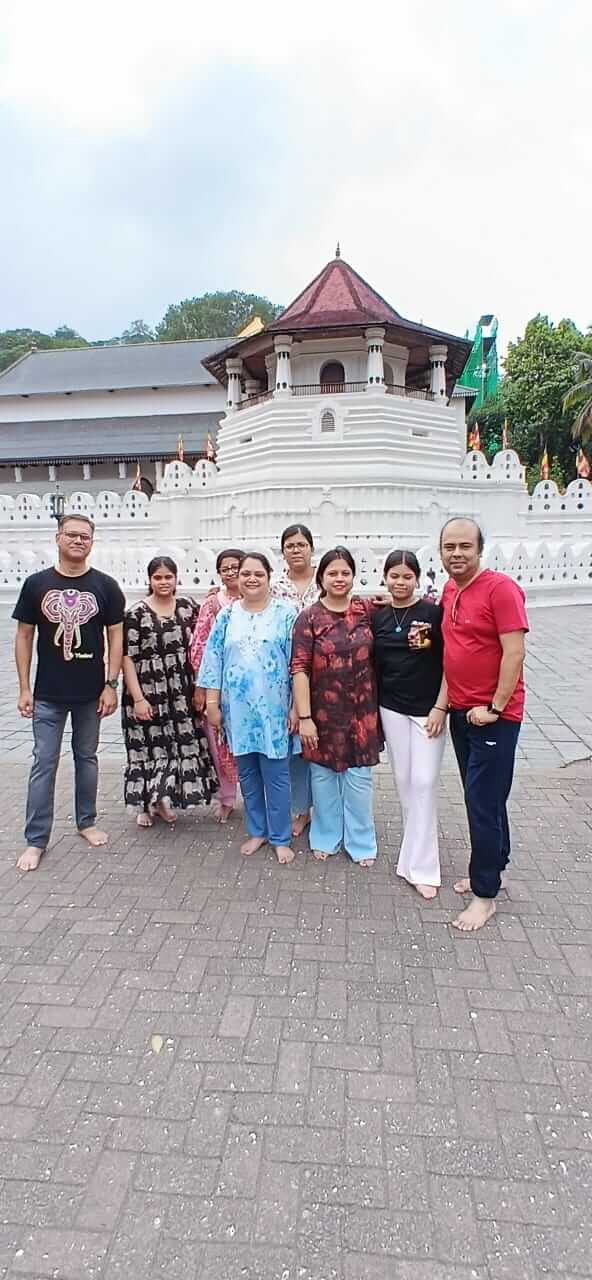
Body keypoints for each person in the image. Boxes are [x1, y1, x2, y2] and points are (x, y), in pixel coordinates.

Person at [13, 513, 125, 872]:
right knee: (44, 762)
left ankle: (86, 821)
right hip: (47, 693)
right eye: (72, 535)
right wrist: (24, 687)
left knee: (86, 758)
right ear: (57, 538)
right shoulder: (36, 584)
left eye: (85, 536)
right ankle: (36, 840)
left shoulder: (106, 586)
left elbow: (116, 637)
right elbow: (24, 636)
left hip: (91, 694)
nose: (78, 541)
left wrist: (111, 684)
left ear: (92, 542)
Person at [439, 517, 528, 932]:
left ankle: (484, 894)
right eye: (449, 547)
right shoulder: (450, 590)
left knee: (481, 803)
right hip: (461, 713)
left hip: (493, 718)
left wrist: (494, 706)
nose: (457, 554)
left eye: (465, 546)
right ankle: (496, 867)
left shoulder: (501, 589)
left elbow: (515, 653)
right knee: (486, 799)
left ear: (479, 549)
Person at [197, 552, 298, 865]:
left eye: (258, 574)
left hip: (275, 711)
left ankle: (280, 837)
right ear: (237, 578)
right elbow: (212, 661)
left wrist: (297, 707)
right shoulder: (227, 616)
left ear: (269, 577)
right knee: (249, 775)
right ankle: (257, 831)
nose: (251, 579)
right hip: (237, 712)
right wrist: (212, 704)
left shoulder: (286, 614)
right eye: (245, 574)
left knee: (277, 776)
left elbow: (298, 664)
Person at [291, 547, 381, 867]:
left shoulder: (366, 610)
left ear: (354, 576)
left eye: (345, 572)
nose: (339, 578)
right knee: (323, 778)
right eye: (332, 573)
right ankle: (326, 836)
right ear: (322, 578)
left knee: (359, 780)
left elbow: (400, 606)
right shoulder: (309, 618)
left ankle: (361, 841)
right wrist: (305, 717)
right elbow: (299, 668)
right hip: (323, 714)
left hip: (362, 713)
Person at [372, 550, 447, 899]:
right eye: (394, 576)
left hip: (427, 711)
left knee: (424, 782)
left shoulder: (433, 613)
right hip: (392, 709)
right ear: (385, 578)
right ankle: (412, 857)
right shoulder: (379, 616)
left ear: (417, 579)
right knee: (404, 783)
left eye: (406, 577)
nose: (400, 582)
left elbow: (451, 662)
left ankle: (424, 868)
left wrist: (441, 707)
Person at [122, 556, 217, 826]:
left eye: (168, 577)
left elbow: (204, 639)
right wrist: (138, 698)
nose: (163, 582)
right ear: (149, 580)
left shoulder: (187, 607)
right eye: (158, 577)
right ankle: (144, 805)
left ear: (176, 579)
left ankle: (162, 800)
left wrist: (215, 597)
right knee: (147, 750)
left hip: (180, 692)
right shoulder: (136, 613)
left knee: (175, 748)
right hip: (147, 691)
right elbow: (127, 658)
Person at [272, 524, 319, 838]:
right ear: (283, 551)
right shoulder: (275, 586)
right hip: (286, 675)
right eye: (290, 545)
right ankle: (301, 809)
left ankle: (327, 809)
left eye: (301, 544)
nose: (296, 550)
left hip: (326, 674)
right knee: (297, 747)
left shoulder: (326, 579)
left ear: (311, 548)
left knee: (325, 745)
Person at [190, 549, 244, 822]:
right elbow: (200, 645)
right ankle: (226, 798)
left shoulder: (261, 600)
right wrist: (202, 687)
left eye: (236, 566)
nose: (231, 572)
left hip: (251, 687)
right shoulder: (212, 604)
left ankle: (260, 799)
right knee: (219, 743)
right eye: (225, 568)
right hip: (218, 688)